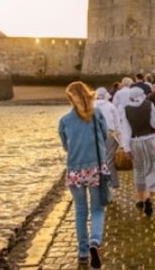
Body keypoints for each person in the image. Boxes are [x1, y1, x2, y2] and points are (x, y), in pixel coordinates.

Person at [58, 81, 109, 268]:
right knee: (97, 209)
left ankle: (82, 252)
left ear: (70, 98)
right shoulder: (98, 115)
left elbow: (66, 146)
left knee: (80, 212)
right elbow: (105, 137)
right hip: (96, 168)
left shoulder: (64, 121)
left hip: (75, 171)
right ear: (88, 95)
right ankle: (95, 242)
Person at [120, 87, 155, 216]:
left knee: (139, 168)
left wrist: (126, 148)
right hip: (151, 140)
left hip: (135, 142)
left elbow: (126, 131)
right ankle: (147, 196)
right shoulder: (149, 105)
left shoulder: (126, 109)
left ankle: (139, 198)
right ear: (142, 95)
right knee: (153, 167)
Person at [95, 87, 122, 189]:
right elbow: (117, 123)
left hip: (96, 135)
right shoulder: (111, 106)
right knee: (109, 160)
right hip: (110, 135)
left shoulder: (91, 106)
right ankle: (113, 183)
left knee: (97, 160)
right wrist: (120, 139)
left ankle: (99, 183)